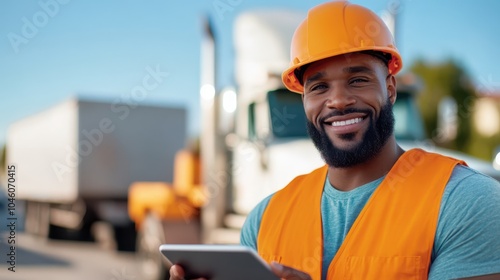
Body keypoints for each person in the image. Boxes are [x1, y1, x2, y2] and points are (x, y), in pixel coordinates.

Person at [170, 1, 500, 279]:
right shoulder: (266, 218)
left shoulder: (467, 202)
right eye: (318, 86)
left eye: (357, 79)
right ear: (304, 100)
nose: (338, 101)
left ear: (390, 88)